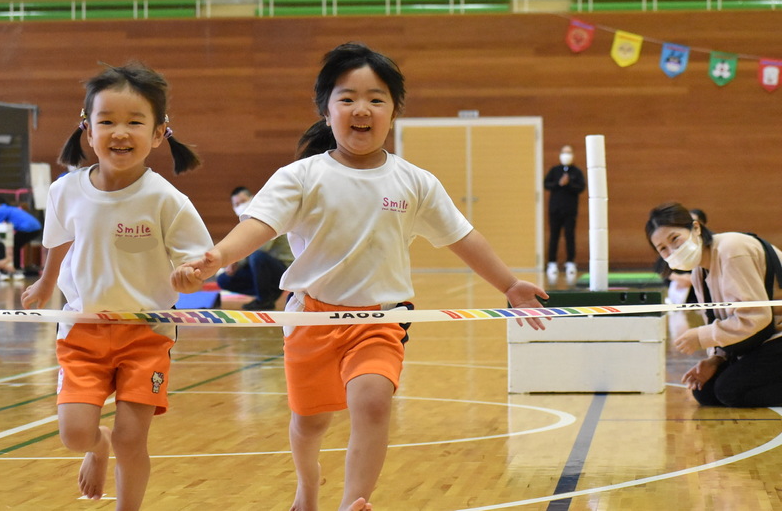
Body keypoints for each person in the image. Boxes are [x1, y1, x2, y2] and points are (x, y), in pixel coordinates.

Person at [172, 42, 548, 511]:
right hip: (310, 319)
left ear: (393, 111)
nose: (361, 109)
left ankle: (355, 501)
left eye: (376, 98)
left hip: (381, 320)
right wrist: (217, 256)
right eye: (347, 98)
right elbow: (259, 225)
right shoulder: (301, 177)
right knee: (309, 422)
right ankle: (308, 487)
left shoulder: (416, 182)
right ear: (326, 110)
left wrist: (509, 285)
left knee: (373, 402)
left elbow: (462, 236)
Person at [20, 62, 213, 508]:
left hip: (147, 335)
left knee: (132, 439)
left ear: (160, 133)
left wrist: (189, 275)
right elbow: (60, 240)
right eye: (106, 121)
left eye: (134, 122)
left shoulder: (166, 199)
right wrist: (46, 283)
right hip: (82, 330)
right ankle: (96, 446)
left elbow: (198, 260)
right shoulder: (65, 190)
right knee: (74, 434)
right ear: (88, 131)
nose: (119, 133)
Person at [646, 202, 782, 407]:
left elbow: (756, 317)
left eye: (675, 239)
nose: (672, 250)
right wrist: (715, 359)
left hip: (775, 336)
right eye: (662, 248)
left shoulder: (732, 250)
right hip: (764, 338)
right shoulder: (699, 270)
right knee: (705, 391)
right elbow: (720, 319)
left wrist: (702, 336)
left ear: (696, 228)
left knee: (729, 390)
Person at [216, 185, 294, 309]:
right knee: (224, 279)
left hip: (282, 268)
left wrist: (235, 260)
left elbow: (260, 248)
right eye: (236, 204)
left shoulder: (265, 216)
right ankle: (267, 293)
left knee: (256, 257)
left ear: (253, 199)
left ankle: (264, 300)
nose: (240, 206)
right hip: (261, 269)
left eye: (243, 201)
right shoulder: (245, 223)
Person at [543, 144, 585, 283]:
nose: (566, 155)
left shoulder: (576, 172)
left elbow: (581, 187)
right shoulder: (554, 170)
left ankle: (570, 262)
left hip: (570, 209)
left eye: (569, 152)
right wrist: (559, 183)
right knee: (554, 236)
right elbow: (547, 184)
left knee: (569, 236)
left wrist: (569, 183)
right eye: (564, 152)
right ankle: (552, 263)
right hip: (555, 209)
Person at [0, 194, 43, 278]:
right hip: (36, 227)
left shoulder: (0, 209)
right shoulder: (10, 208)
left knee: (14, 245)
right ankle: (17, 267)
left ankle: (16, 268)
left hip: (28, 228)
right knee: (16, 245)